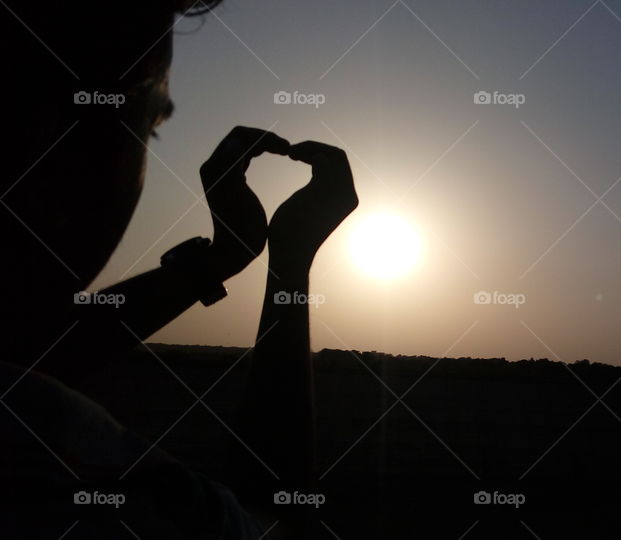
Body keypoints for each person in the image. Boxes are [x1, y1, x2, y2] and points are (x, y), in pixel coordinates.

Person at [0, 1, 357, 537]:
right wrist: (290, 261)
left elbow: (26, 352)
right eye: (149, 126)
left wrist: (222, 257)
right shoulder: (61, 473)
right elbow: (275, 522)